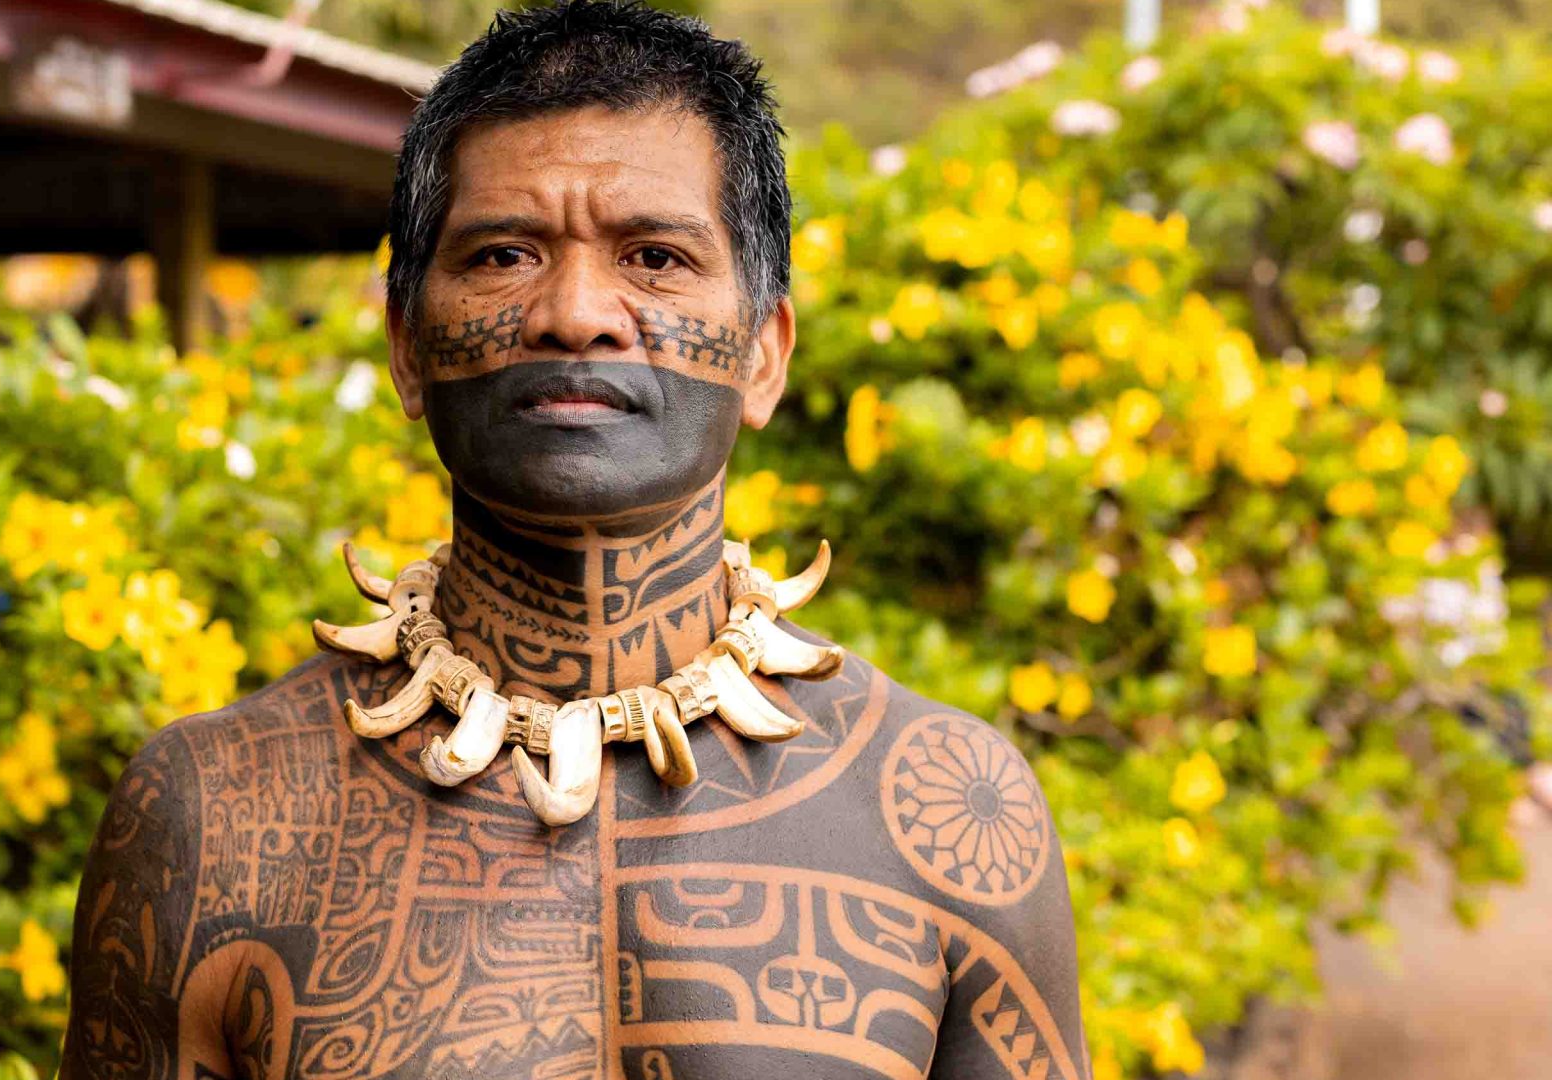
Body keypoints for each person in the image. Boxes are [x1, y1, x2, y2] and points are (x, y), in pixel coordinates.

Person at [61, 3, 1087, 1077]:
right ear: (406, 347)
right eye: (504, 255)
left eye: (654, 256)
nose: (577, 313)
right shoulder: (216, 815)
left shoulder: (949, 815)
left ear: (765, 355)